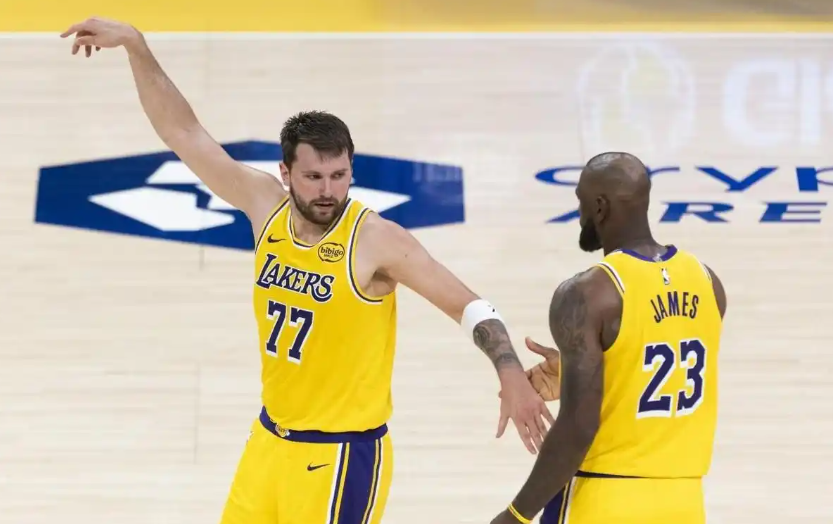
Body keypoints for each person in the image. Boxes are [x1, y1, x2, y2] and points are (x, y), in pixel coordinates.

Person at [60, 17, 554, 524]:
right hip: (268, 443)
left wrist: (510, 373)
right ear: (286, 173)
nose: (327, 191)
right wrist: (137, 46)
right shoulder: (264, 205)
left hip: (340, 456)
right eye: (314, 176)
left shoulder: (375, 239)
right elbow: (183, 133)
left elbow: (468, 305)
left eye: (339, 176)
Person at [491, 152, 727, 524]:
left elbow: (578, 427)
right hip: (684, 501)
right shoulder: (707, 281)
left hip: (604, 497)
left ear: (600, 207)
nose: (579, 213)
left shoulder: (589, 293)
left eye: (581, 201)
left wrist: (516, 514)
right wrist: (577, 374)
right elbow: (656, 366)